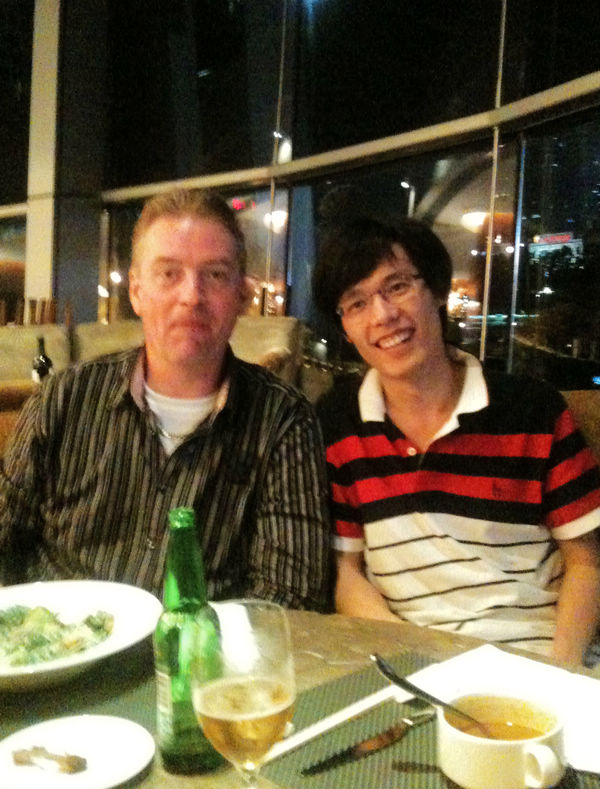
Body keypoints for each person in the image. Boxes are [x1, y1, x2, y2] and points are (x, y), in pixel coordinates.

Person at [0, 188, 332, 611]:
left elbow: (288, 599)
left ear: (241, 296)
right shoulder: (64, 398)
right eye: (169, 273)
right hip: (60, 641)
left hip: (209, 650)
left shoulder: (284, 421)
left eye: (215, 275)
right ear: (136, 292)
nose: (191, 295)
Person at [313, 215, 600, 665]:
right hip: (410, 664)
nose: (383, 315)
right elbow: (347, 574)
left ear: (437, 290)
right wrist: (415, 662)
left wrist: (559, 672)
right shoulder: (339, 423)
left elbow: (587, 561)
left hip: (534, 654)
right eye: (357, 303)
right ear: (345, 327)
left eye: (397, 287)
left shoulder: (532, 410)